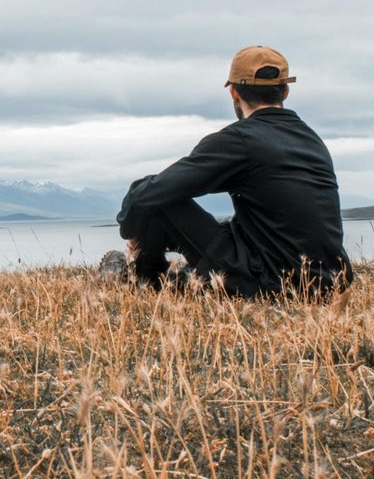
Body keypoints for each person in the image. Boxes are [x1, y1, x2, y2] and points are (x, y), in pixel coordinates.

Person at [102, 46, 352, 297]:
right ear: (285, 91)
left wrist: (133, 237)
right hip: (329, 282)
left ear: (233, 92)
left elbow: (146, 194)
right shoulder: (311, 140)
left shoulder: (239, 141)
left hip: (271, 282)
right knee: (224, 224)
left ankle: (144, 280)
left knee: (152, 194)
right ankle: (180, 277)